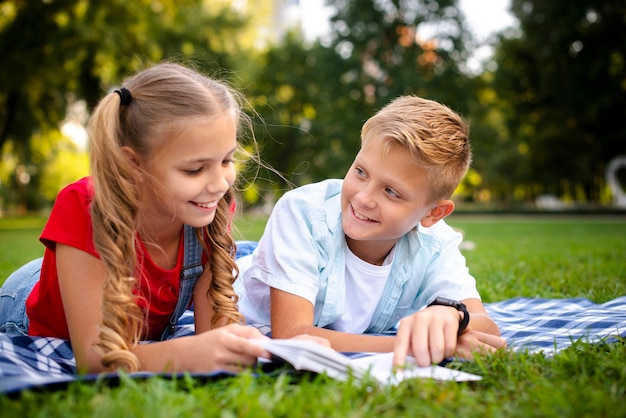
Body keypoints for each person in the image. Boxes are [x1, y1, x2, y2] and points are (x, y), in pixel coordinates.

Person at [0, 62, 275, 374]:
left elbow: (215, 335)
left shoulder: (208, 208)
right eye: (194, 169)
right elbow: (93, 359)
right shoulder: (86, 206)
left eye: (227, 160)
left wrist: (269, 348)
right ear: (133, 163)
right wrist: (183, 355)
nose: (220, 183)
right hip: (27, 302)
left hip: (114, 302)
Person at [234, 95, 507, 368]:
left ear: (432, 213)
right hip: (243, 288)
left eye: (391, 191)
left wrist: (455, 315)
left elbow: (486, 330)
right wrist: (414, 346)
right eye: (361, 172)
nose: (364, 198)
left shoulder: (435, 244)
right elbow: (293, 335)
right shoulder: (303, 213)